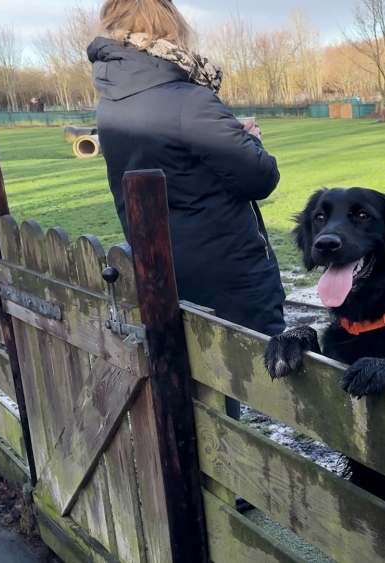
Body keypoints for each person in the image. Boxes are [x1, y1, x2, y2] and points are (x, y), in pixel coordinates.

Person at [88, 0, 286, 423]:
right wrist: (250, 139)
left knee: (195, 389)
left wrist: (229, 133)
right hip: (221, 273)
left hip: (161, 268)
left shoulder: (111, 104)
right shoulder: (188, 100)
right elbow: (259, 179)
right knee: (237, 385)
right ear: (168, 31)